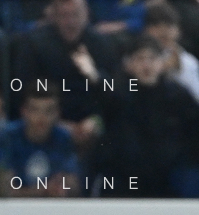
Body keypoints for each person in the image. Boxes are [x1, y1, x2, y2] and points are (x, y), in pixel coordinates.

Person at [93, 35, 199, 197]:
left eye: (152, 58)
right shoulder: (118, 94)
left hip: (168, 178)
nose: (146, 65)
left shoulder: (178, 95)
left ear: (162, 63)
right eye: (140, 59)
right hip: (124, 178)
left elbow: (195, 131)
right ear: (129, 64)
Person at [11, 0, 119, 149]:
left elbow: (115, 93)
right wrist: (56, 122)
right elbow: (22, 90)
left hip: (92, 122)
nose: (71, 22)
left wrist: (95, 119)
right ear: (54, 17)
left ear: (86, 14)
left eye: (76, 15)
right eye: (64, 16)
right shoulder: (34, 44)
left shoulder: (102, 43)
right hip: (47, 120)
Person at [0, 87, 82, 197]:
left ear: (58, 113)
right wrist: (44, 190)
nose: (42, 118)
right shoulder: (8, 137)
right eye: (35, 110)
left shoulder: (63, 138)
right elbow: (4, 191)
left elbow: (74, 185)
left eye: (49, 111)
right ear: (24, 111)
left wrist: (64, 185)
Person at [143, 2, 199, 105]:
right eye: (156, 25)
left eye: (169, 25)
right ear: (145, 30)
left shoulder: (189, 62)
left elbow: (198, 98)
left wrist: (178, 68)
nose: (163, 31)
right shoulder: (134, 58)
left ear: (178, 31)